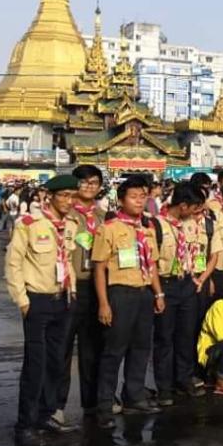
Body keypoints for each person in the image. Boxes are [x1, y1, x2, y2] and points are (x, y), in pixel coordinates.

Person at [5, 175, 80, 445]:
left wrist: (72, 291)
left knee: (56, 362)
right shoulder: (28, 224)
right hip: (37, 300)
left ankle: (47, 415)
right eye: (64, 196)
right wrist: (22, 300)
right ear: (49, 196)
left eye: (73, 196)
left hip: (63, 300)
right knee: (35, 365)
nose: (69, 201)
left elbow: (67, 259)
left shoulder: (69, 225)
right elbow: (13, 263)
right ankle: (25, 425)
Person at [92, 174, 165, 429]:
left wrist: (158, 293)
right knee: (114, 351)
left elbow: (152, 264)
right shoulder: (109, 228)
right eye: (133, 197)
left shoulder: (148, 228)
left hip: (144, 292)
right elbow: (99, 268)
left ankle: (134, 395)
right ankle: (103, 405)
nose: (139, 201)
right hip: (120, 293)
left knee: (141, 348)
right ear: (121, 200)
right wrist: (103, 303)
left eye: (143, 197)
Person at [153, 182, 216, 406]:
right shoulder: (157, 225)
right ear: (182, 205)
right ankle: (164, 387)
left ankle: (183, 378)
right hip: (166, 284)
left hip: (188, 284)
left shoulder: (192, 225)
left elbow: (202, 252)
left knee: (186, 334)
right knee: (164, 338)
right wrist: (158, 293)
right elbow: (151, 262)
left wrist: (199, 280)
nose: (198, 212)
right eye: (194, 207)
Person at [54, 165, 105, 426]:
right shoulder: (64, 213)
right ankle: (56, 405)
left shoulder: (103, 216)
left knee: (92, 348)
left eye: (93, 182)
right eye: (83, 182)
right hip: (68, 287)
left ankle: (92, 401)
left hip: (94, 287)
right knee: (62, 348)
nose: (88, 186)